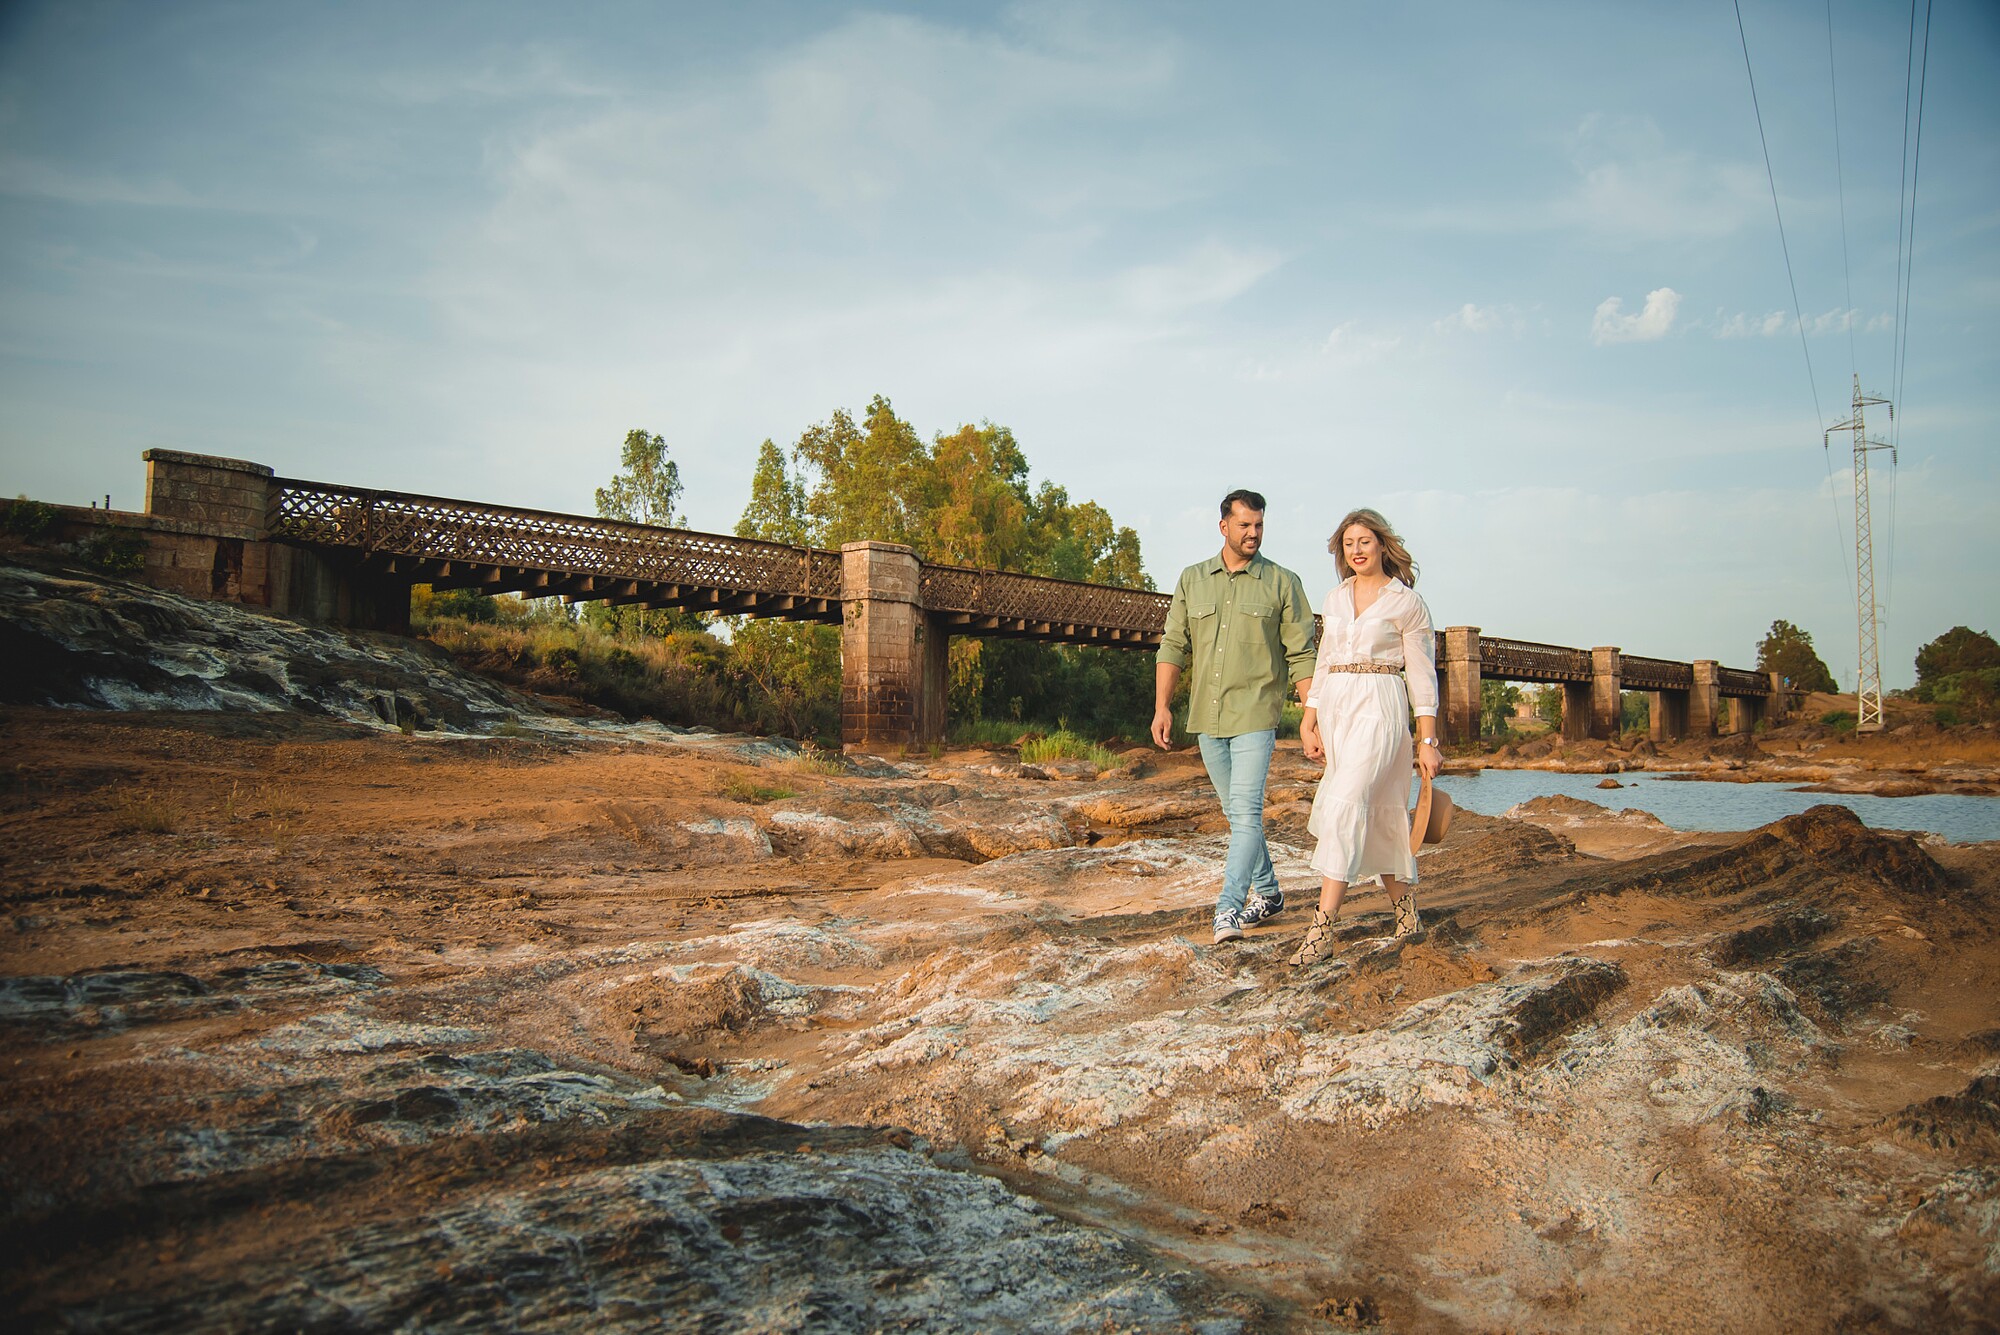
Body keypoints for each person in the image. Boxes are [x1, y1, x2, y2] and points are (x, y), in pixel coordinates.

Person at [1152, 490, 1317, 945]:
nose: (1253, 533)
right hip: (1207, 715)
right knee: (1235, 813)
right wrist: (1162, 706)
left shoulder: (1283, 582)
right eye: (1244, 525)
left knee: (1245, 812)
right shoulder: (1192, 580)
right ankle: (1270, 892)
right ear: (1223, 526)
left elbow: (1302, 653)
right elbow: (1173, 646)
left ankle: (1228, 908)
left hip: (1256, 714)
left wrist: (1310, 718)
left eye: (1259, 525)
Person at [1290, 508, 1441, 967]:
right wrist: (1310, 717)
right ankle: (1406, 912)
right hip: (1338, 704)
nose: (1356, 550)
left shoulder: (1406, 603)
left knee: (1348, 802)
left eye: (1364, 541)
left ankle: (1322, 929)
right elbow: (1324, 660)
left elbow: (1421, 674)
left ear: (1381, 545)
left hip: (1381, 703)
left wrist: (1427, 741)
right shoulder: (1335, 598)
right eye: (1348, 544)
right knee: (1374, 818)